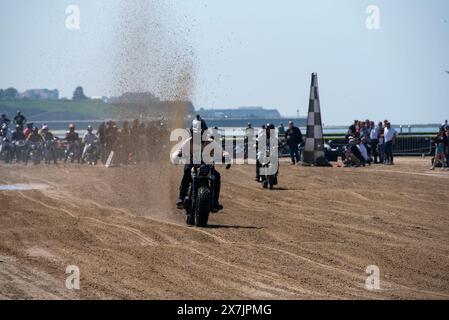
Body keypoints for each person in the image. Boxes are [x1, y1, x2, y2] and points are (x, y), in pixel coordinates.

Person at [173, 119, 227, 213]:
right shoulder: (188, 142)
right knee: (187, 172)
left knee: (216, 177)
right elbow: (179, 150)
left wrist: (226, 157)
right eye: (196, 132)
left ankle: (214, 202)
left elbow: (222, 151)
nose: (199, 134)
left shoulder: (210, 142)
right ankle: (181, 198)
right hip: (192, 164)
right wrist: (177, 156)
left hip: (208, 166)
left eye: (201, 132)